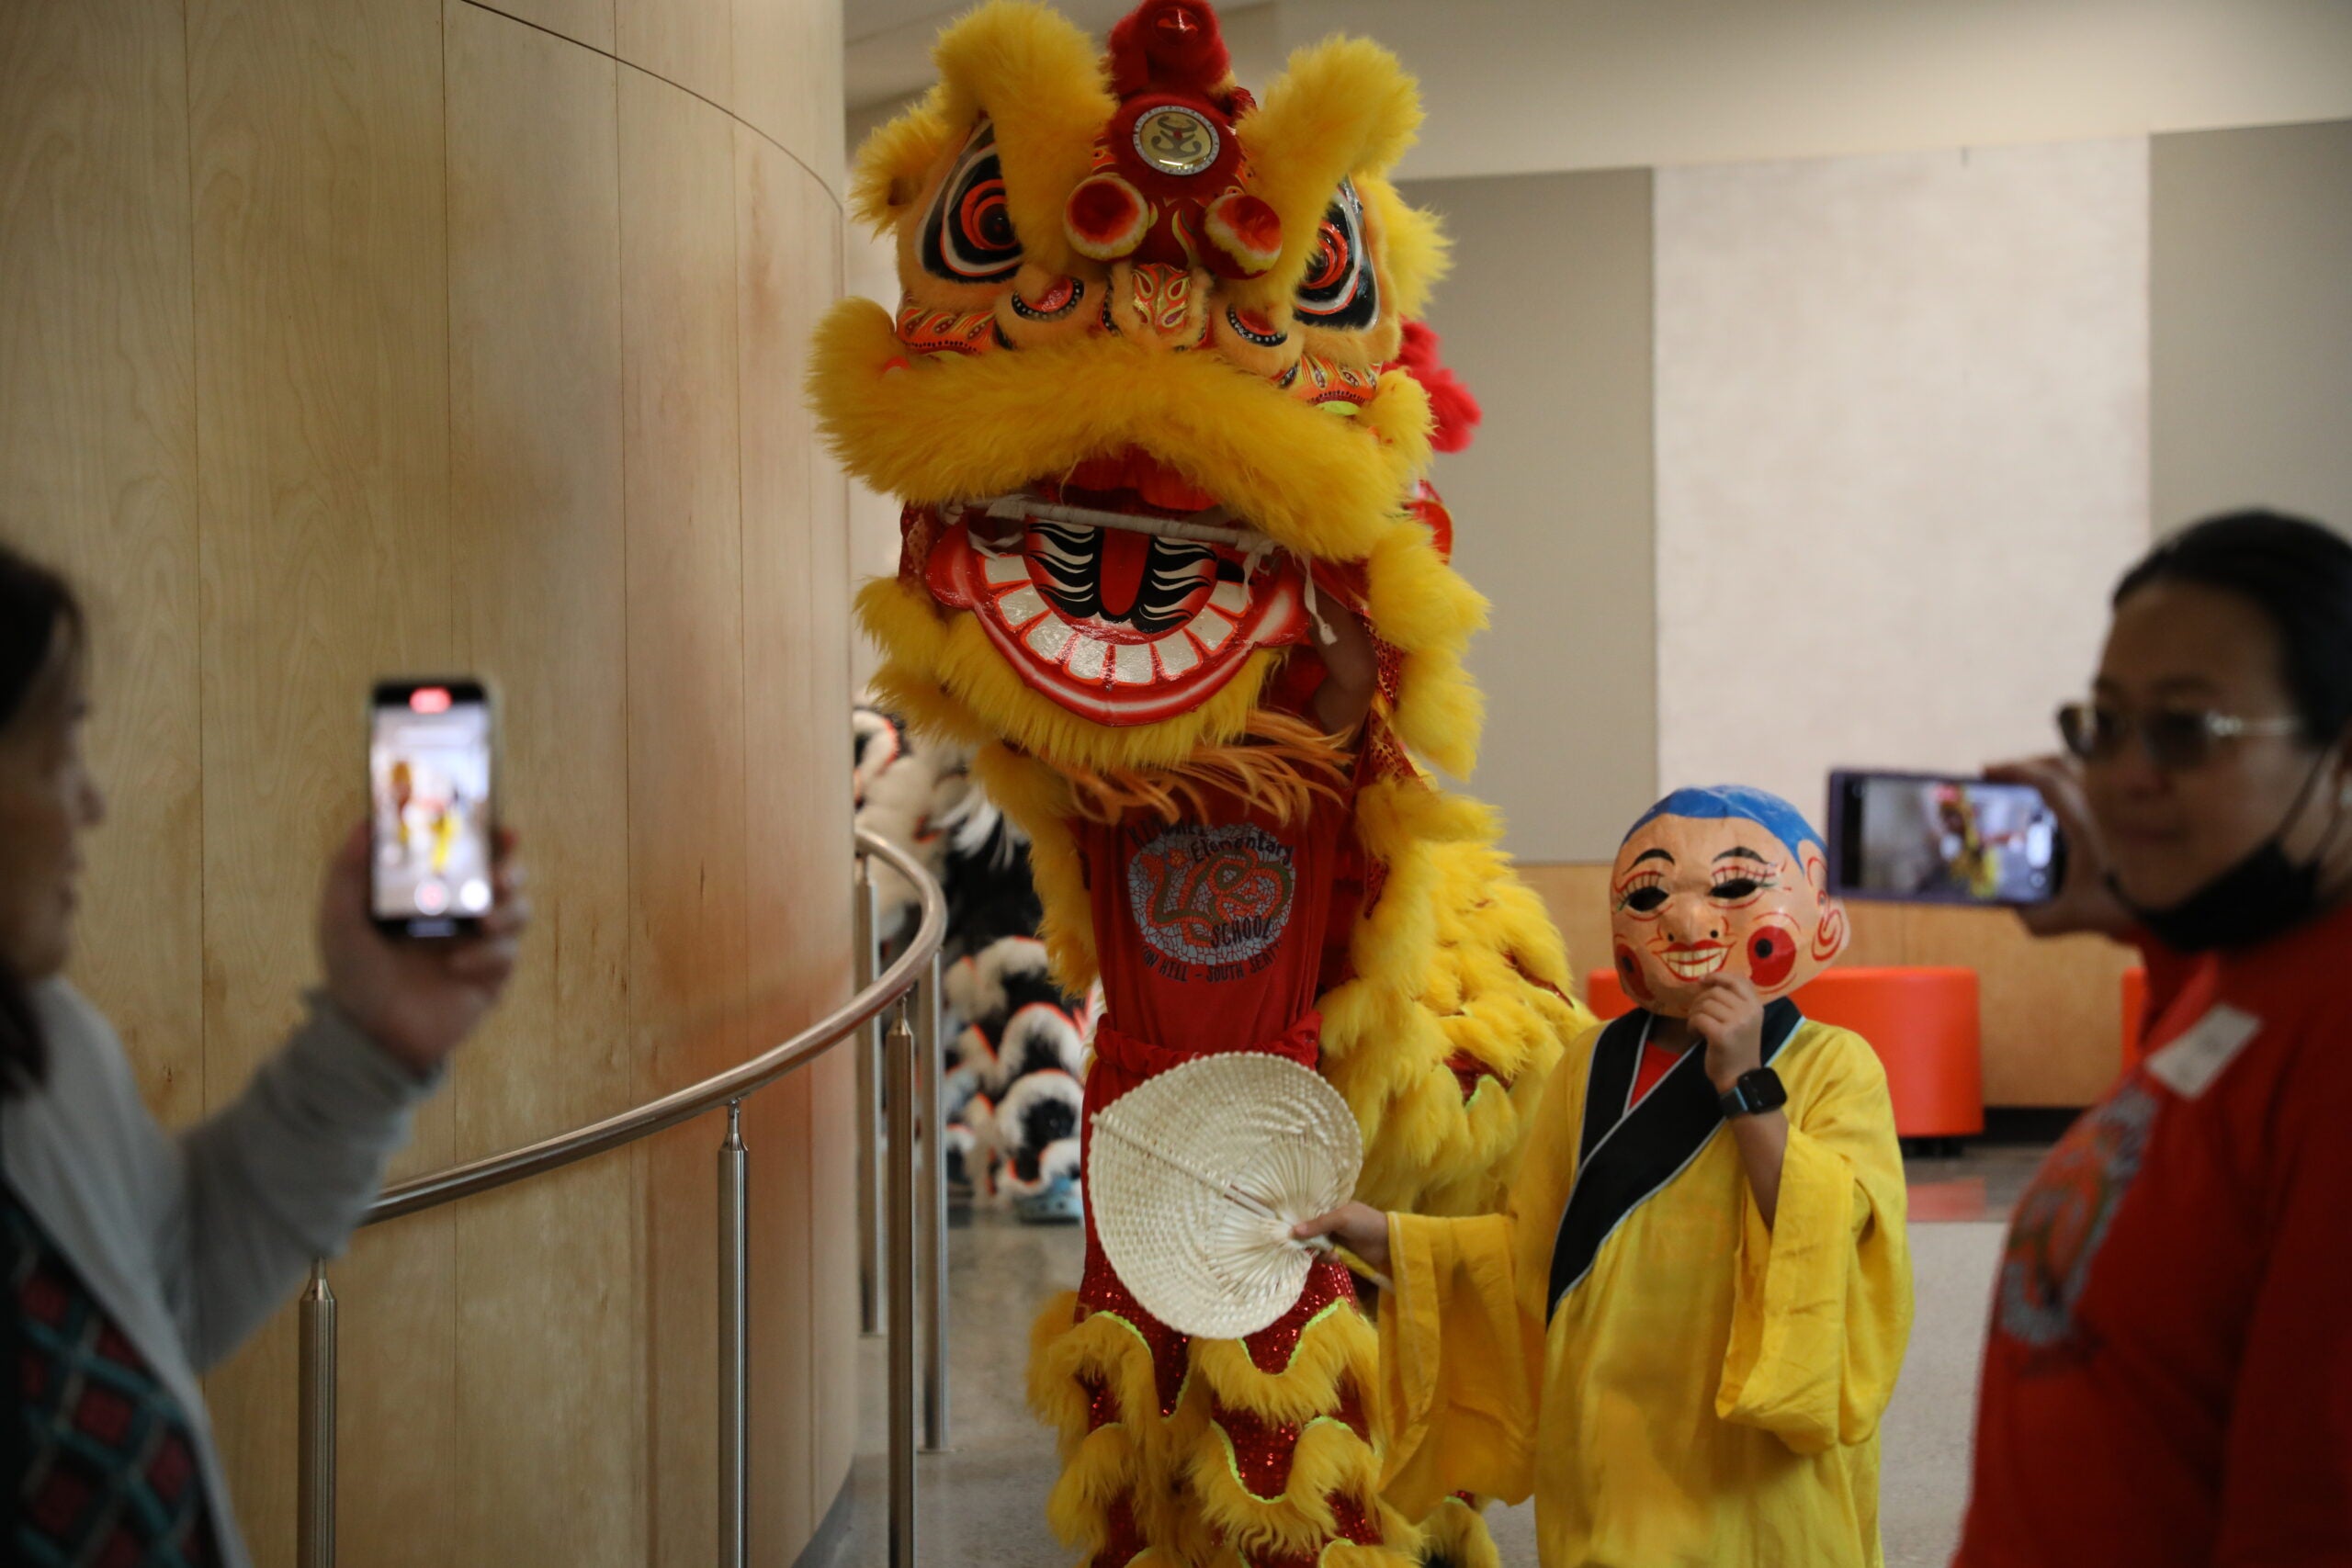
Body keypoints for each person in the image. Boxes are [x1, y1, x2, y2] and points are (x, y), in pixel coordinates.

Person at [0, 540, 527, 1568]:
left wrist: (371, 1042)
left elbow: (174, 1277)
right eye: (55, 751)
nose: (90, 802)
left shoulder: (43, 1051)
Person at [1298, 785, 1913, 1567]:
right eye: (1651, 893)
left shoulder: (1835, 1064)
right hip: (1605, 1441)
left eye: (1731, 887)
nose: (1689, 922)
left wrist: (1745, 1085)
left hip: (1750, 1461)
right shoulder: (1590, 1063)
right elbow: (1533, 1256)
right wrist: (1385, 1235)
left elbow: (1836, 1245)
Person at [1954, 509, 2352, 1564]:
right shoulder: (2233, 961)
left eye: (2184, 731)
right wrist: (2128, 907)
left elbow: (2311, 1512)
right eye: (2103, 726)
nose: (2123, 775)